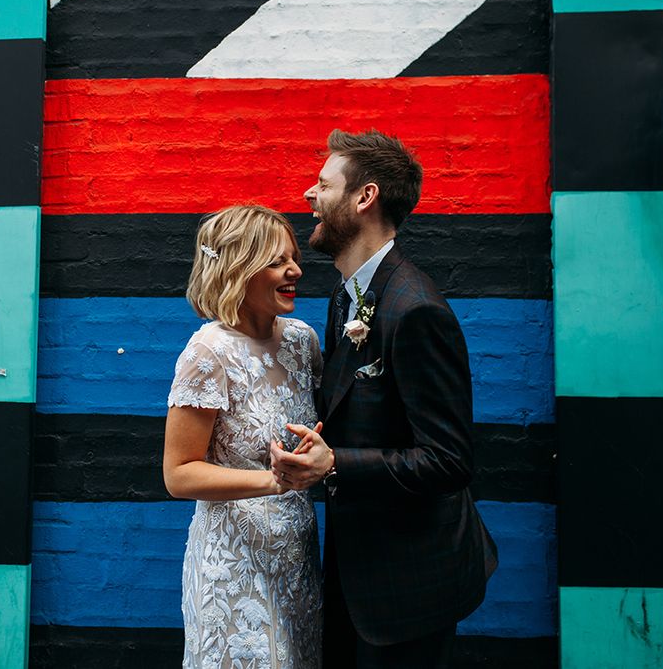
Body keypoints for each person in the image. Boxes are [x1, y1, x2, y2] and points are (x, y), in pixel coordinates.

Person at [270, 130, 498, 669]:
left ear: (364, 198)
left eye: (324, 185)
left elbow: (448, 460)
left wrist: (334, 465)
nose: (309, 195)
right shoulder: (343, 297)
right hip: (358, 571)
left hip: (412, 584)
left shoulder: (415, 309)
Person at [164, 205, 323, 669]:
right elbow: (179, 474)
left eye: (293, 257)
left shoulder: (302, 340)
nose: (295, 270)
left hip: (296, 560)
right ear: (238, 269)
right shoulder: (208, 352)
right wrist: (275, 482)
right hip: (233, 565)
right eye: (277, 261)